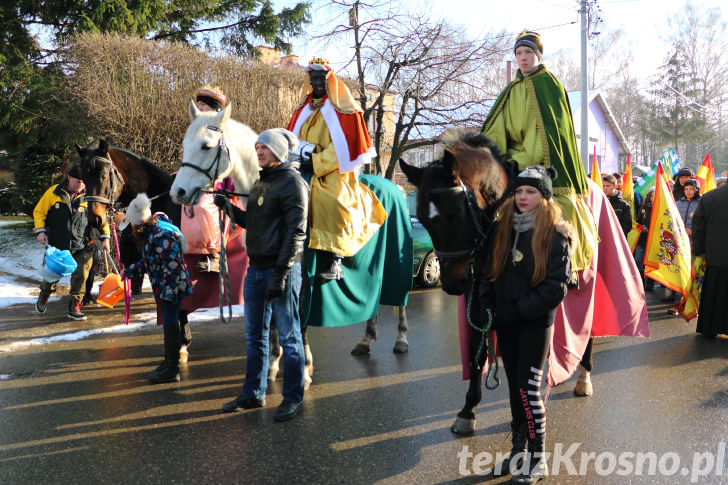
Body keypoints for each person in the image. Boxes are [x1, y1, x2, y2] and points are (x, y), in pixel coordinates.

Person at [479, 166, 574, 484]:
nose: (522, 197)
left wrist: (518, 310)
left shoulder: (556, 235)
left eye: (530, 192)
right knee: (514, 390)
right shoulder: (503, 228)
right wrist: (488, 298)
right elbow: (490, 271)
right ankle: (517, 453)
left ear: (544, 197)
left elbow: (555, 287)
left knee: (528, 390)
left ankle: (538, 459)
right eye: (519, 191)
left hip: (534, 325)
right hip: (507, 324)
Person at [482, 31, 596, 273]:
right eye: (518, 53)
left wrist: (518, 161)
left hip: (541, 164)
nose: (523, 58)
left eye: (528, 53)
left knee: (561, 207)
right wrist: (494, 159)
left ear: (538, 55)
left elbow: (544, 136)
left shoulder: (550, 86)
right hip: (512, 161)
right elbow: (496, 130)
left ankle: (568, 266)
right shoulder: (510, 90)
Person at [215, 128, 308, 422]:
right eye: (256, 148)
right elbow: (253, 223)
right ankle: (254, 393)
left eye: (263, 148)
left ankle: (292, 398)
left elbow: (296, 234)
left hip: (282, 270)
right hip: (255, 270)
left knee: (290, 338)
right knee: (254, 335)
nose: (258, 152)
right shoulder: (261, 182)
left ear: (279, 150)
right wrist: (230, 208)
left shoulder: (293, 184)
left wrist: (280, 275)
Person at [286, 57, 387, 280]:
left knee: (332, 200)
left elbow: (344, 148)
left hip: (334, 170)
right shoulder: (303, 108)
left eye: (321, 78)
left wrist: (316, 161)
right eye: (313, 78)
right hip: (299, 164)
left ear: (329, 79)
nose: (317, 82)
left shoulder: (345, 108)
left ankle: (335, 258)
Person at [122, 193, 193, 383]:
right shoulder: (150, 233)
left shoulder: (162, 235)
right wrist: (131, 271)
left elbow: (172, 265)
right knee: (172, 320)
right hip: (165, 286)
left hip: (172, 286)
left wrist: (168, 293)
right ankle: (170, 361)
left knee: (170, 321)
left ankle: (172, 368)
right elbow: (150, 261)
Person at [33, 164, 110, 320]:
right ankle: (45, 294)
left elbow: (102, 219)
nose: (80, 184)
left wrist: (105, 237)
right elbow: (39, 211)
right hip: (58, 244)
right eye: (76, 181)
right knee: (51, 275)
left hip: (84, 244)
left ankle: (75, 305)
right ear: (69, 178)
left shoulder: (91, 196)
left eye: (82, 181)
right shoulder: (54, 192)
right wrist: (40, 231)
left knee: (81, 276)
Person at [691, 182, 728, 337]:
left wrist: (699, 250)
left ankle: (708, 327)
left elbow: (698, 226)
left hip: (714, 254)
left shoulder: (709, 197)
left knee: (712, 290)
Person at [666, 179, 701, 315]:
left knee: (692, 275)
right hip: (678, 244)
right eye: (686, 189)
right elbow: (670, 220)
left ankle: (691, 305)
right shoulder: (677, 203)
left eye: (691, 189)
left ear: (696, 190)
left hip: (694, 244)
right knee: (677, 272)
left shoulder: (701, 203)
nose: (688, 191)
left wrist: (693, 232)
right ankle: (676, 303)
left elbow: (705, 223)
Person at [635, 188, 655, 291]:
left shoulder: (661, 208)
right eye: (651, 195)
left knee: (651, 263)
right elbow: (638, 221)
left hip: (654, 241)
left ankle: (650, 284)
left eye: (656, 195)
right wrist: (642, 227)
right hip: (642, 239)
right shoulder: (644, 208)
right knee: (638, 261)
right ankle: (640, 282)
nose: (653, 198)